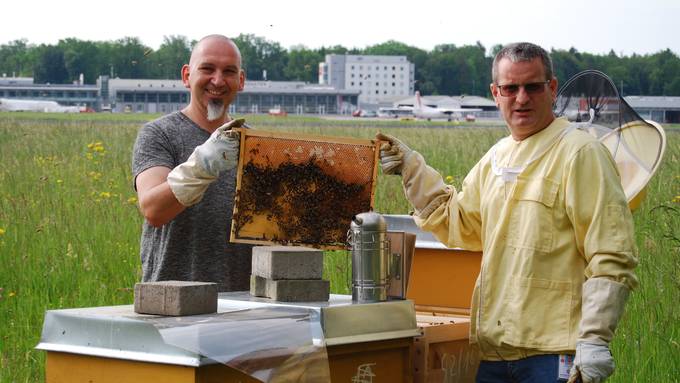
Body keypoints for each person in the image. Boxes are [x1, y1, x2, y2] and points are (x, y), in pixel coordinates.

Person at [377, 42, 637, 383]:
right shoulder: (498, 157)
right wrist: (412, 168)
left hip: (554, 354)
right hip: (495, 353)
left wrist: (594, 339)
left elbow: (611, 253)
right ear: (495, 93)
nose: (522, 99)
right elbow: (459, 222)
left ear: (552, 88)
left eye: (532, 87)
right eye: (510, 88)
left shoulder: (580, 152)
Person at [132, 35, 253, 292]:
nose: (218, 81)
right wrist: (202, 165)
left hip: (244, 305)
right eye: (207, 69)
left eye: (228, 72)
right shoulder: (159, 134)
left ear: (240, 81)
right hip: (172, 302)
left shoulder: (257, 145)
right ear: (187, 76)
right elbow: (154, 210)